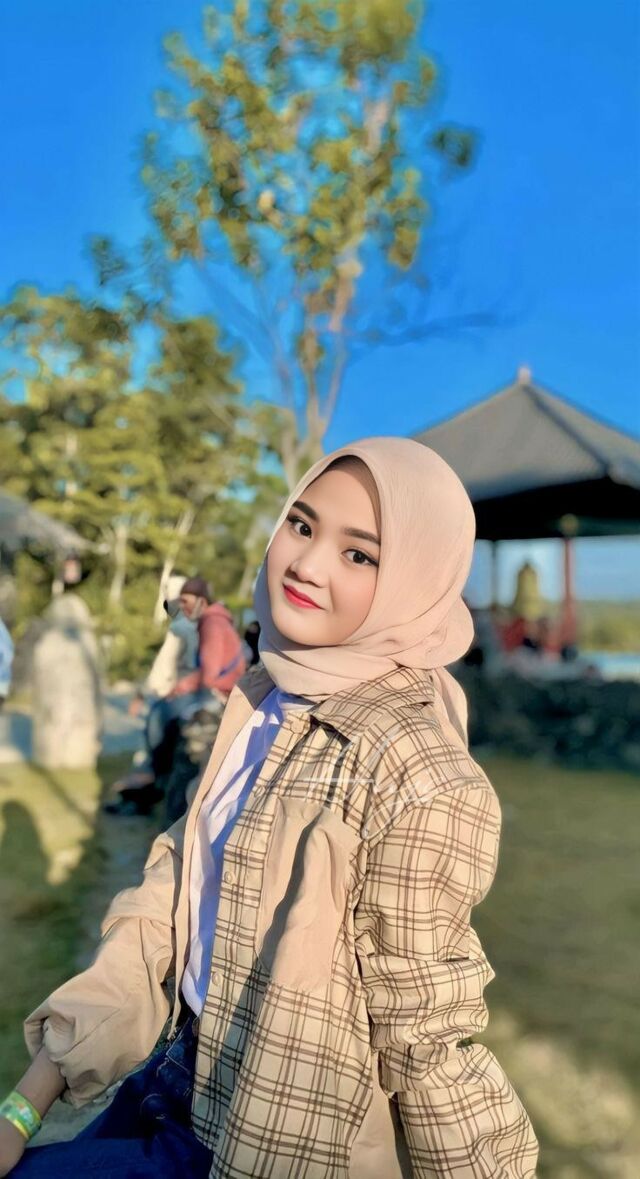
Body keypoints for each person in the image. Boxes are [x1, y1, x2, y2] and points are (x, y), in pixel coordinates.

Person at [0, 438, 538, 1177]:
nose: (307, 564)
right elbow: (169, 902)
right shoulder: (266, 698)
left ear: (416, 579)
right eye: (302, 524)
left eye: (360, 554)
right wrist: (23, 1106)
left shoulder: (417, 771)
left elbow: (427, 1041)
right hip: (167, 1078)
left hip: (255, 1141)